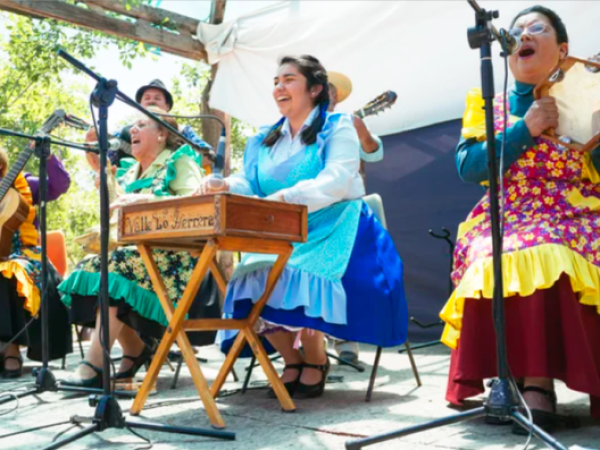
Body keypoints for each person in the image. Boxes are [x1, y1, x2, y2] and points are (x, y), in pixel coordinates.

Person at [196, 55, 408, 399]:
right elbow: (251, 183)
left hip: (334, 222)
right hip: (281, 228)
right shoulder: (264, 139)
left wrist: (285, 197)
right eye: (276, 80)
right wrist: (227, 186)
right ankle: (291, 359)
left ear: (315, 89)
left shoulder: (336, 125)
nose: (279, 86)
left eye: (289, 79)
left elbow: (338, 180)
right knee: (248, 279)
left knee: (301, 273)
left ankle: (316, 359)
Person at [441, 5, 600, 433]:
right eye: (516, 31)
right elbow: (469, 167)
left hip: (580, 211)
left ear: (563, 48)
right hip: (507, 212)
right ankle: (528, 383)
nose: (523, 34)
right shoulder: (488, 103)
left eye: (538, 28)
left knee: (550, 249)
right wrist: (522, 130)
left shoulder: (591, 93)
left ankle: (537, 386)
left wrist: (593, 123)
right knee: (506, 250)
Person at [59, 109, 220, 387]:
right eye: (132, 126)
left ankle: (94, 366)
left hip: (175, 260)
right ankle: (135, 350)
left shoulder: (179, 161)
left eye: (141, 125)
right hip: (134, 256)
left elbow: (197, 207)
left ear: (162, 134)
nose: (132, 130)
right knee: (88, 268)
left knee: (113, 267)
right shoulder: (127, 171)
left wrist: (142, 202)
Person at [326, 72, 385, 366]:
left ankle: (345, 339)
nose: (326, 94)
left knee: (343, 264)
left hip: (343, 212)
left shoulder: (345, 124)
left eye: (331, 91)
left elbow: (374, 153)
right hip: (306, 212)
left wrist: (361, 131)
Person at [0, 150, 72, 377]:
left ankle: (11, 350)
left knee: (8, 271)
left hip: (26, 255)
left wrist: (49, 157)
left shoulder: (24, 184)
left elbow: (59, 185)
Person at [84, 79, 212, 171]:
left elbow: (210, 158)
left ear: (167, 106)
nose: (151, 101)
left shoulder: (181, 131)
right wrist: (89, 145)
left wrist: (172, 165)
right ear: (139, 106)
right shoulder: (125, 133)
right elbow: (104, 170)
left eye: (157, 98)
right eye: (147, 98)